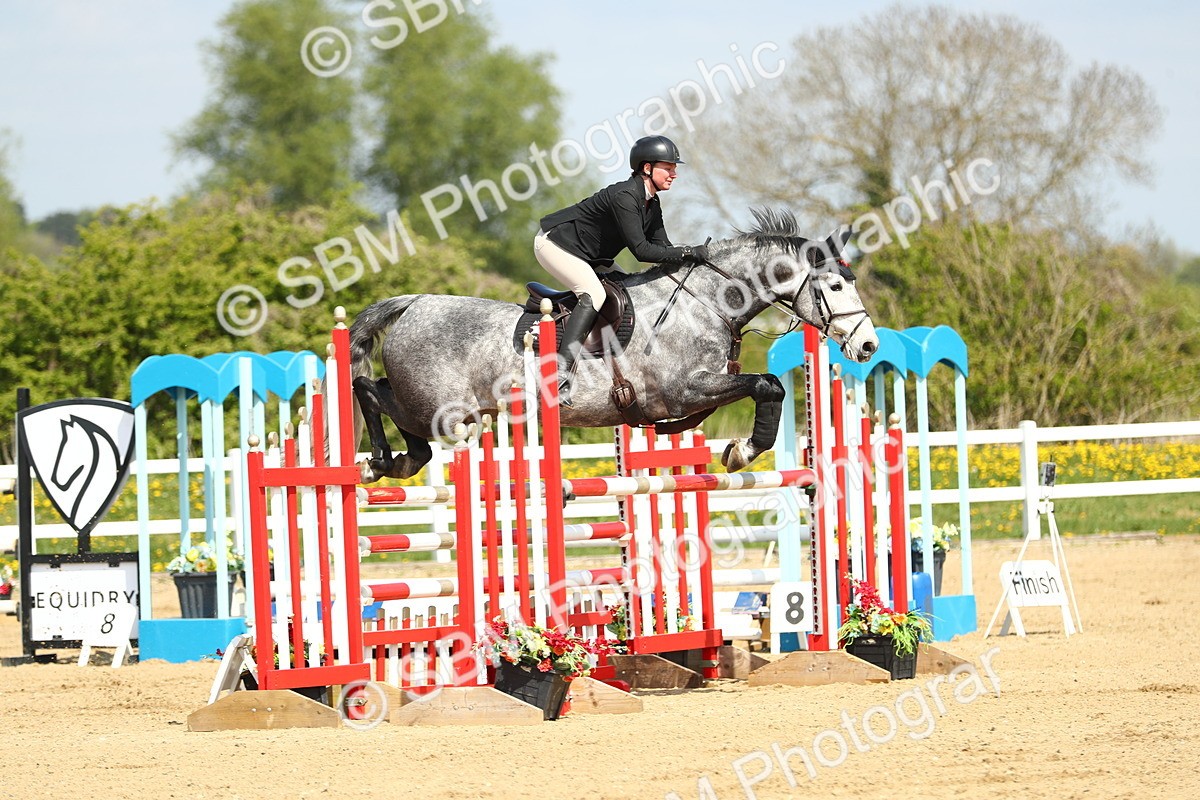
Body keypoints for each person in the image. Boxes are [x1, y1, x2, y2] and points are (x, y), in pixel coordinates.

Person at [534, 134, 710, 405]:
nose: (675, 173)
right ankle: (559, 374)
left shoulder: (652, 203)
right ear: (647, 168)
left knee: (629, 291)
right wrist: (689, 251)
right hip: (556, 245)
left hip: (592, 256)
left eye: (675, 168)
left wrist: (695, 261)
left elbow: (663, 248)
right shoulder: (625, 196)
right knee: (593, 293)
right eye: (669, 167)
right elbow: (642, 251)